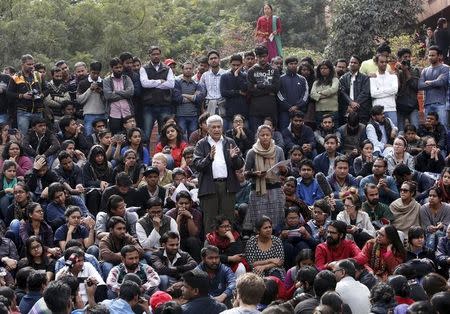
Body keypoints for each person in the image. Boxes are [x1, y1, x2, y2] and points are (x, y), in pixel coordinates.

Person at [192, 114, 244, 233]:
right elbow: (197, 165)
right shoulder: (201, 144)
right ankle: (210, 249)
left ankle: (229, 247)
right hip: (209, 187)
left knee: (228, 220)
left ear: (222, 128)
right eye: (213, 127)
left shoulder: (229, 141)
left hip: (227, 186)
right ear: (208, 129)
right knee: (210, 221)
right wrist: (209, 158)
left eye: (218, 127)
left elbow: (239, 165)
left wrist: (234, 158)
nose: (216, 129)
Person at [243, 124, 286, 229]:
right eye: (262, 135)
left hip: (275, 188)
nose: (265, 137)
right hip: (258, 191)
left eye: (267, 134)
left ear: (271, 135)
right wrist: (255, 173)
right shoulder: (252, 152)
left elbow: (285, 171)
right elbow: (245, 174)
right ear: (258, 136)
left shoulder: (279, 150)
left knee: (276, 221)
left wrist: (283, 170)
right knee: (259, 220)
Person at [139, 45, 175, 139]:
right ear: (149, 55)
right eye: (153, 54)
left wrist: (152, 84)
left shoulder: (167, 69)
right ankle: (145, 154)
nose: (156, 56)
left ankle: (163, 154)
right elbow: (144, 84)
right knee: (146, 135)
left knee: (164, 134)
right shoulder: (144, 68)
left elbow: (171, 84)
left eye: (158, 54)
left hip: (164, 105)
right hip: (149, 106)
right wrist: (160, 81)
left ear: (160, 55)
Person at [6, 54, 45, 136]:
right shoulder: (15, 77)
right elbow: (9, 93)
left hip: (38, 111)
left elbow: (47, 88)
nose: (31, 66)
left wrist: (42, 94)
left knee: (40, 135)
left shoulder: (38, 75)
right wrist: (22, 95)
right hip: (23, 112)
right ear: (22, 64)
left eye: (32, 64)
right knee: (23, 136)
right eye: (29, 64)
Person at [246, 45, 280, 133]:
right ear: (256, 57)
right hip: (255, 110)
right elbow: (250, 90)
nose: (262, 59)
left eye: (264, 56)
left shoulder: (274, 70)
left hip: (270, 109)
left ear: (268, 56)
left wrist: (259, 86)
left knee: (270, 135)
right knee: (256, 135)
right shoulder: (251, 71)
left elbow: (276, 88)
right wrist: (268, 90)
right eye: (260, 57)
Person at [165, 191, 203, 262]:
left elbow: (194, 234)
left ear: (191, 203)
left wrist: (189, 218)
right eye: (181, 203)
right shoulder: (169, 214)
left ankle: (196, 266)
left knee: (193, 240)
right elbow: (172, 236)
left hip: (191, 241)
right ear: (176, 204)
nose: (184, 206)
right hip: (175, 241)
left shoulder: (196, 213)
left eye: (186, 203)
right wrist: (178, 219)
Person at [103, 57, 134, 135]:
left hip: (127, 113)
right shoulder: (107, 80)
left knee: (129, 135)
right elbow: (108, 96)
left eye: (120, 67)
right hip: (114, 114)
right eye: (116, 68)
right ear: (112, 68)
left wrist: (116, 92)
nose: (119, 69)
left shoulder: (127, 79)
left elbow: (130, 93)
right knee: (116, 136)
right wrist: (124, 94)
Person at [418, 46, 449, 125]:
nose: (430, 57)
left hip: (441, 103)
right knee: (428, 128)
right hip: (427, 104)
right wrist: (435, 82)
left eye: (433, 55)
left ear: (439, 56)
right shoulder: (425, 70)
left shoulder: (445, 68)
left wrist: (429, 82)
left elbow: (441, 82)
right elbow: (420, 85)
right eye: (429, 55)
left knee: (443, 127)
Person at [173, 61, 204, 138]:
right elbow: (177, 98)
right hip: (180, 115)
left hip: (194, 115)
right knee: (182, 137)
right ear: (182, 70)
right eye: (186, 68)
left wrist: (184, 95)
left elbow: (199, 99)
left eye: (190, 68)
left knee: (193, 137)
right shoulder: (177, 83)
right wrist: (192, 97)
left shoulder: (197, 84)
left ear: (193, 70)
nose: (188, 70)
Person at [277, 56, 309, 130]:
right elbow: (279, 94)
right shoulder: (280, 79)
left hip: (299, 111)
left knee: (300, 132)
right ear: (286, 65)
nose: (293, 65)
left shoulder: (302, 79)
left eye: (295, 64)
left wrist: (297, 106)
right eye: (291, 64)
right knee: (285, 132)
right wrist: (289, 107)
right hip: (285, 112)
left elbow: (305, 95)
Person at [76, 61, 106, 137]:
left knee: (104, 136)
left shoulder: (104, 82)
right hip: (89, 114)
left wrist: (101, 92)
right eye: (93, 73)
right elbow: (79, 100)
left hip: (102, 114)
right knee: (89, 136)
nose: (95, 75)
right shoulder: (83, 83)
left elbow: (108, 100)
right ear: (89, 71)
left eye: (97, 73)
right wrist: (89, 90)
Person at [339, 55, 371, 124]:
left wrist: (355, 105)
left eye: (355, 63)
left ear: (359, 65)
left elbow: (365, 93)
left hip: (361, 110)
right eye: (351, 62)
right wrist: (350, 102)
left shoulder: (365, 78)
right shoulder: (343, 78)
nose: (352, 64)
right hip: (347, 110)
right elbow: (342, 92)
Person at [220, 55, 248, 129]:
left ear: (241, 65)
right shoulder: (224, 77)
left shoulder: (245, 76)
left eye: (238, 65)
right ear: (230, 64)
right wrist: (238, 92)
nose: (235, 67)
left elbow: (245, 89)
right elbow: (223, 92)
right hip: (230, 112)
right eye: (233, 65)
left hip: (243, 112)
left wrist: (237, 75)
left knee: (245, 136)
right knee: (230, 136)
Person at [396, 48, 420, 131]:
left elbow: (415, 86)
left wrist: (405, 70)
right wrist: (397, 71)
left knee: (415, 129)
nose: (408, 59)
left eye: (409, 56)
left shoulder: (415, 70)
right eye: (405, 57)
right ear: (399, 59)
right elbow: (396, 88)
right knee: (400, 131)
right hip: (400, 105)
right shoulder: (396, 70)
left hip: (413, 105)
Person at [199, 50, 226, 120]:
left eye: (215, 58)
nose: (213, 60)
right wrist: (202, 110)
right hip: (209, 105)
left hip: (223, 105)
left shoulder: (226, 74)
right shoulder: (204, 76)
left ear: (219, 59)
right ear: (208, 61)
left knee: (223, 128)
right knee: (211, 127)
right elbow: (202, 94)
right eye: (211, 59)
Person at [310, 60, 339, 124]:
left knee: (333, 131)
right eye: (321, 68)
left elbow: (334, 89)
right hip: (319, 110)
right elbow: (312, 94)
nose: (323, 70)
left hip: (332, 110)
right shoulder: (316, 82)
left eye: (325, 68)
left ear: (330, 69)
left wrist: (319, 93)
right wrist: (328, 94)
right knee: (320, 130)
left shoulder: (335, 80)